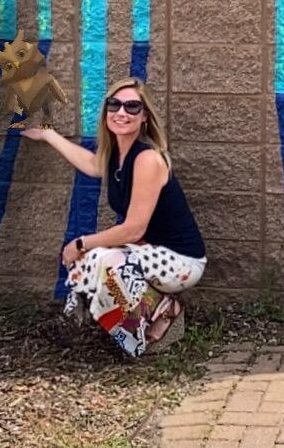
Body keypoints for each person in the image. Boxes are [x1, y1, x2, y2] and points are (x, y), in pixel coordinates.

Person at [21, 77, 207, 357]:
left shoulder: (147, 159)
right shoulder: (118, 155)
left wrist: (82, 243)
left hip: (181, 261)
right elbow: (92, 164)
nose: (121, 112)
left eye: (132, 107)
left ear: (145, 117)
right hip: (149, 252)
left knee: (103, 259)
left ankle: (163, 311)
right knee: (92, 259)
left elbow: (132, 230)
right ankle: (128, 320)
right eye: (114, 104)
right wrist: (48, 134)